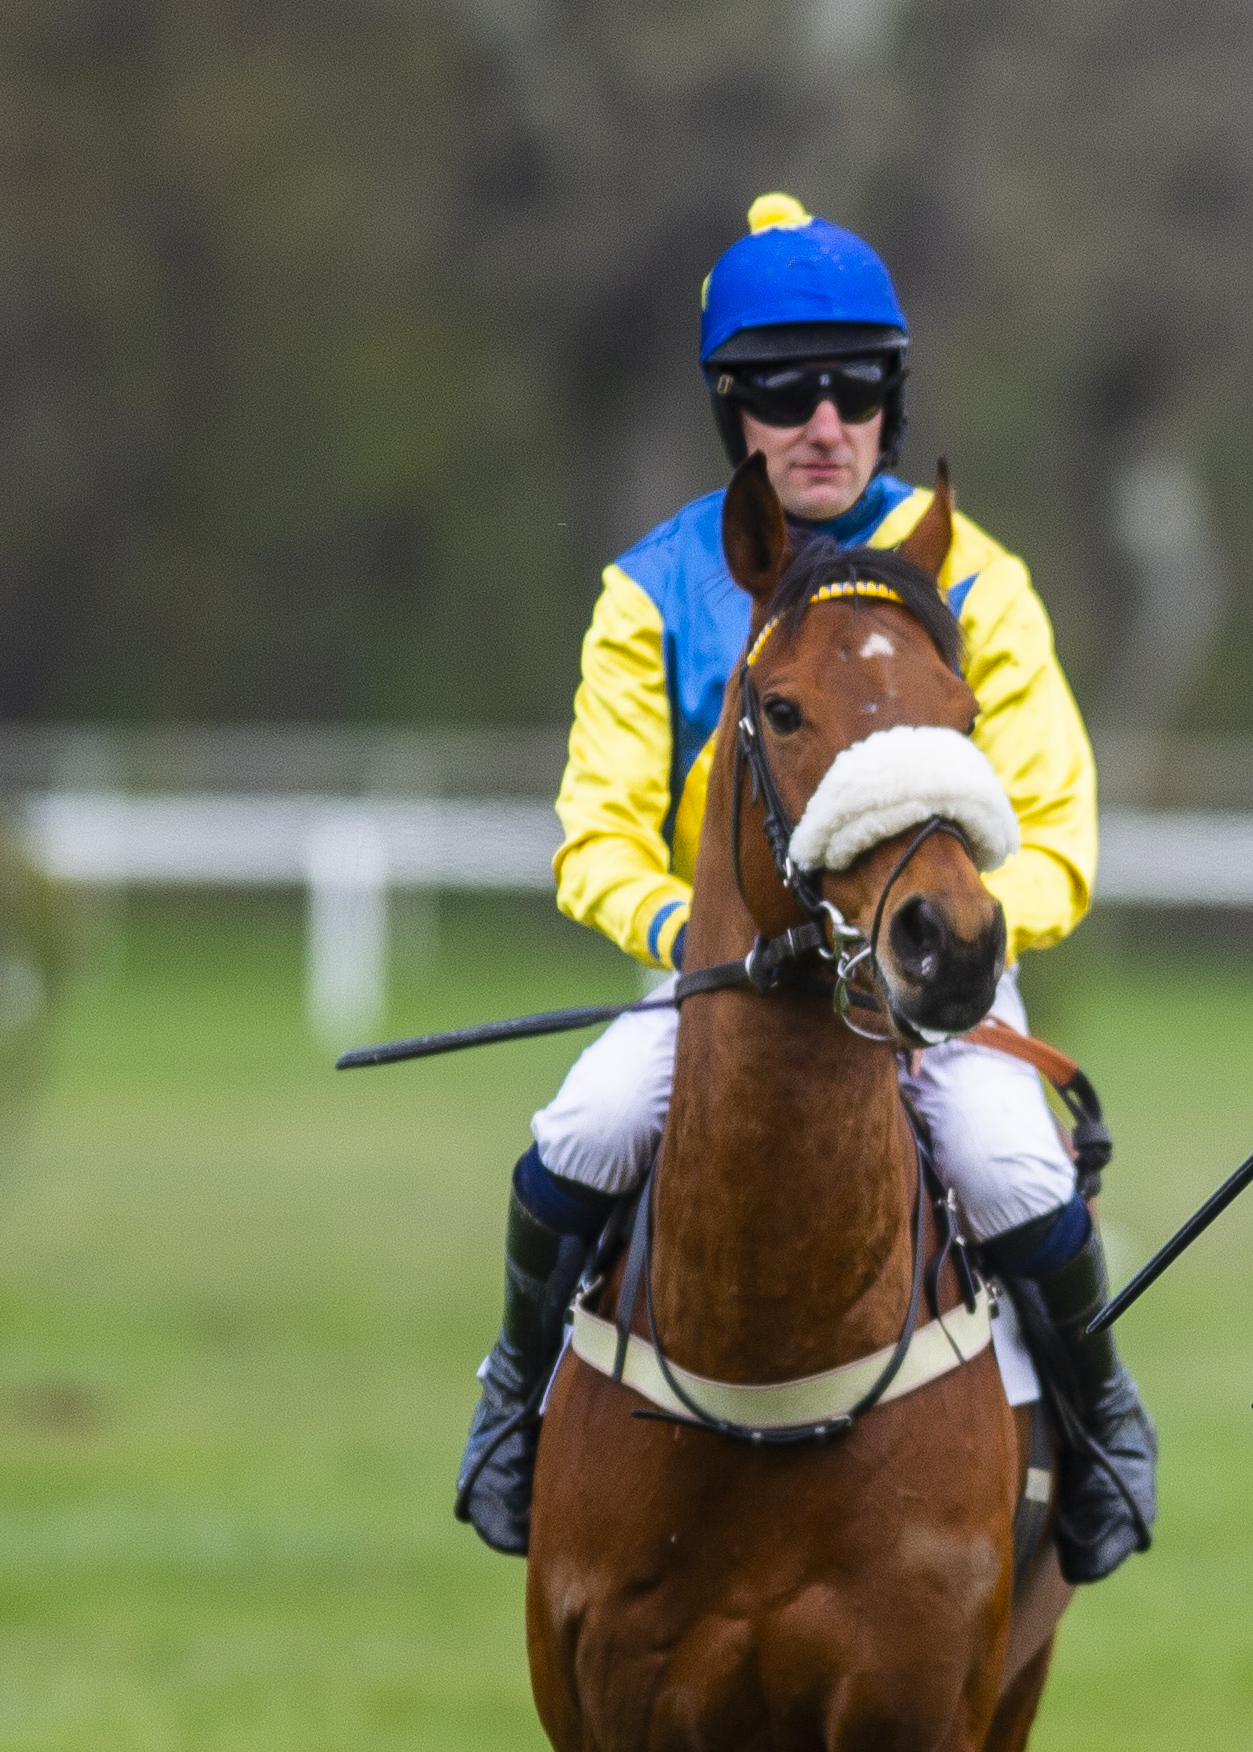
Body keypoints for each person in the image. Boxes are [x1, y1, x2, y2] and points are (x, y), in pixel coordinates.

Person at [453, 193, 1155, 1579]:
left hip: (929, 981)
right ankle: (509, 1409)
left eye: (853, 389)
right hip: (730, 984)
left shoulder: (980, 580)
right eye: (782, 393)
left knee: (1013, 1162)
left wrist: (949, 950)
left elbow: (1056, 827)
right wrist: (695, 938)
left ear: (891, 405)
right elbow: (594, 836)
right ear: (735, 415)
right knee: (584, 1124)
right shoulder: (649, 592)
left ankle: (1099, 1418)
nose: (821, 423)